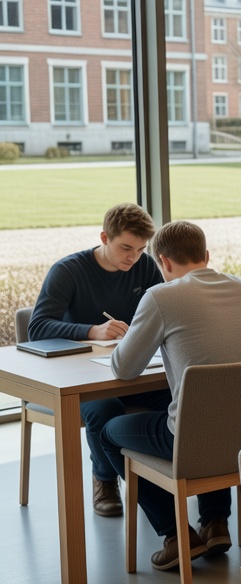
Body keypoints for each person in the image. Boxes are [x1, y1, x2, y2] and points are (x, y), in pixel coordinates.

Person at [99, 221, 241, 569]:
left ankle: (176, 536)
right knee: (216, 411)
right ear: (206, 256)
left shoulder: (162, 297)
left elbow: (124, 369)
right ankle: (215, 522)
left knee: (108, 433)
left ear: (164, 262)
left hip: (194, 438)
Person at [29, 203, 168, 517]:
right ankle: (105, 479)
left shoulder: (144, 266)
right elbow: (37, 327)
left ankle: (156, 478)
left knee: (177, 396)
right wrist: (91, 330)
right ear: (105, 237)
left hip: (129, 370)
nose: (133, 258)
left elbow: (164, 310)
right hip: (77, 378)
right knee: (105, 408)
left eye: (141, 249)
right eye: (125, 248)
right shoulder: (68, 271)